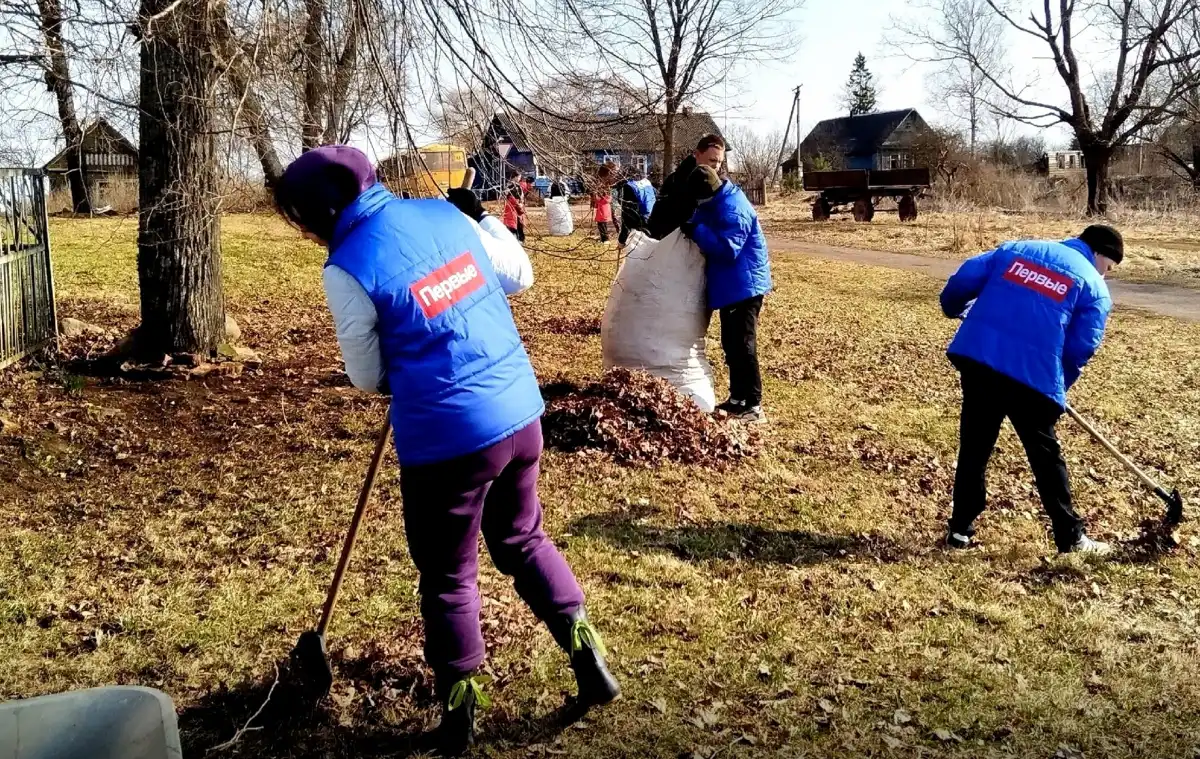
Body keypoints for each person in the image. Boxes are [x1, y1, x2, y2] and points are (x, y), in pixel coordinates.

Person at [273, 146, 619, 756]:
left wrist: (398, 366)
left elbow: (363, 373)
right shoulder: (441, 214)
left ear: (318, 213)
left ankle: (460, 712)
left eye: (298, 221)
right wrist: (480, 224)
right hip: (518, 412)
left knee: (449, 574)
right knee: (524, 539)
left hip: (448, 441)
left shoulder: (347, 265)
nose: (299, 233)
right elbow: (517, 276)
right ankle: (585, 648)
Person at [939, 225, 1124, 555]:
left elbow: (964, 278)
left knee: (974, 447)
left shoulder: (1017, 249)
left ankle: (959, 531)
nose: (1106, 275)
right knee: (1045, 457)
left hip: (980, 360)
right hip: (1030, 377)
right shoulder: (1094, 288)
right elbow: (1082, 347)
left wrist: (952, 307)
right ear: (1098, 254)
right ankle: (1070, 537)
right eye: (1108, 267)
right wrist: (1056, 386)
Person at [680, 165, 772, 422]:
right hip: (732, 286)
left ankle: (753, 405)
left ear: (708, 191)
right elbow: (702, 216)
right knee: (731, 345)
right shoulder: (716, 201)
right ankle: (737, 398)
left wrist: (697, 232)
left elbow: (727, 248)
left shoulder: (733, 208)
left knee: (743, 345)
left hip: (745, 287)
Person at [649, 134, 726, 240]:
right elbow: (658, 216)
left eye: (720, 162)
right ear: (697, 155)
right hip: (675, 244)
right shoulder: (675, 181)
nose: (717, 166)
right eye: (712, 160)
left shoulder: (722, 183)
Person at [616, 169, 656, 245]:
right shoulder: (647, 182)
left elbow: (627, 216)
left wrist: (621, 240)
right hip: (652, 218)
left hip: (640, 223)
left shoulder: (628, 187)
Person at [502, 170, 526, 242]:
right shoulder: (510, 186)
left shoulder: (516, 186)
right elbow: (506, 196)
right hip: (511, 207)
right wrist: (517, 203)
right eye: (519, 177)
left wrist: (521, 203)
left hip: (517, 206)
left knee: (519, 222)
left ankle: (520, 238)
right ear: (515, 177)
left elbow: (521, 196)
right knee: (512, 222)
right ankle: (515, 238)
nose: (519, 179)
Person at [590, 173, 614, 243]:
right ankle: (604, 238)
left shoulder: (603, 195)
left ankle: (605, 239)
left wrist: (594, 195)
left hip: (602, 211)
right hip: (605, 210)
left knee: (601, 225)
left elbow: (597, 200)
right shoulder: (608, 193)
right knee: (603, 225)